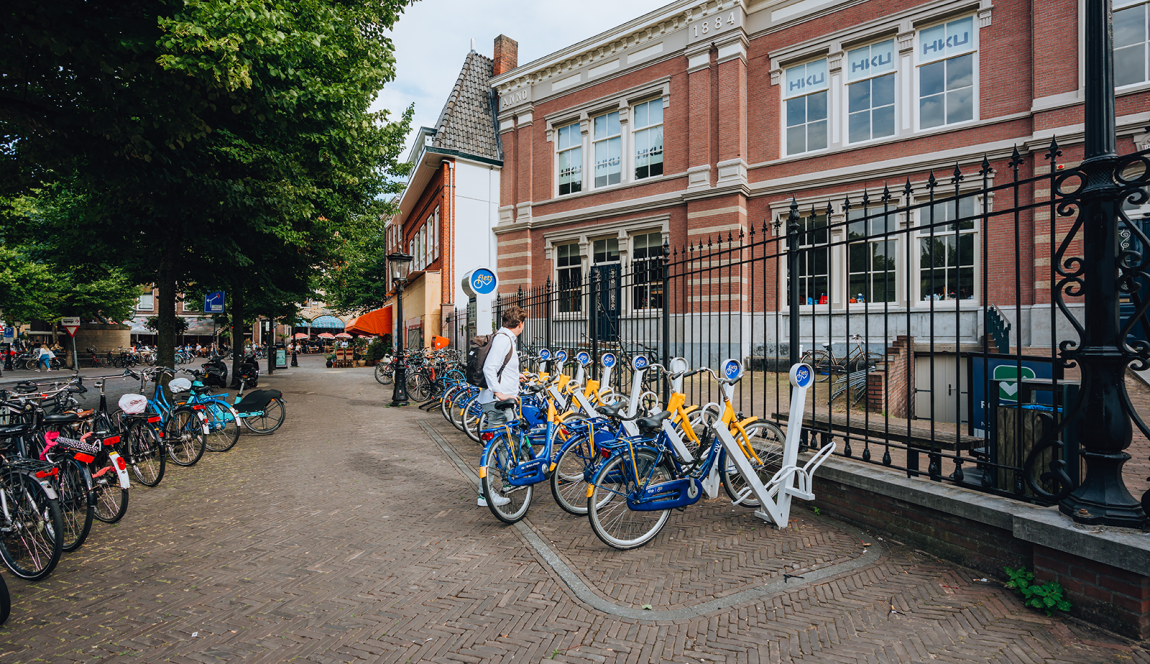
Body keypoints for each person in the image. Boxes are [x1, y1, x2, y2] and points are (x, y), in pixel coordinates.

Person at [476, 305, 528, 507]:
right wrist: (499, 392)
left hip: (498, 401)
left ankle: (507, 483)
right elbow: (490, 368)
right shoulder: (504, 340)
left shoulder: (503, 337)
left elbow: (501, 367)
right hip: (497, 403)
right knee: (495, 447)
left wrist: (516, 376)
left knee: (506, 444)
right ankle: (484, 494)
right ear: (520, 324)